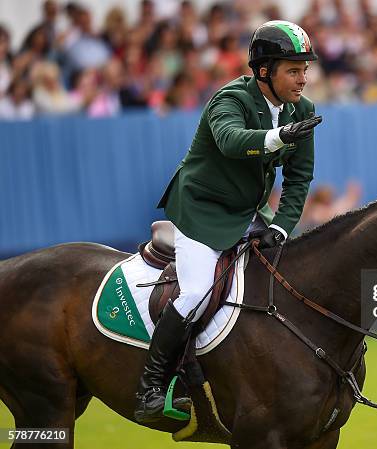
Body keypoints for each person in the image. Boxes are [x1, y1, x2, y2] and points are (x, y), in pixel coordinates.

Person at [134, 20, 323, 423]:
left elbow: (299, 179)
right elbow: (231, 141)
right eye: (293, 70)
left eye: (305, 69)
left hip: (251, 213)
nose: (303, 79)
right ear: (264, 71)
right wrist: (279, 137)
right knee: (197, 292)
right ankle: (151, 387)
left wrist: (281, 226)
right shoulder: (230, 99)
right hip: (201, 209)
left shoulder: (302, 110)